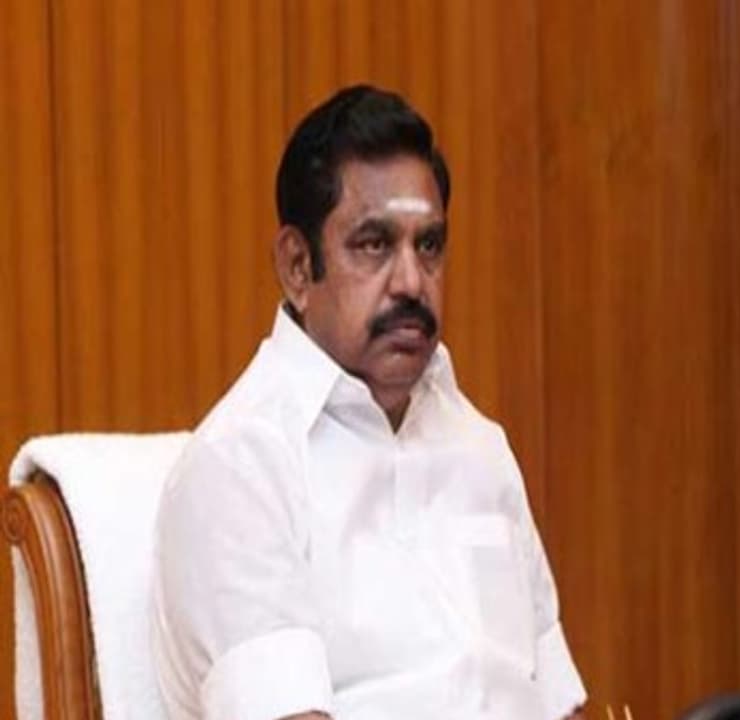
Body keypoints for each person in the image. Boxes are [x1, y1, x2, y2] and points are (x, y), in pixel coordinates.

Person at [150, 85, 587, 720]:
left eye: (428, 246)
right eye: (374, 245)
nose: (411, 282)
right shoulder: (239, 467)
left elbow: (557, 702)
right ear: (297, 267)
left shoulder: (480, 445)